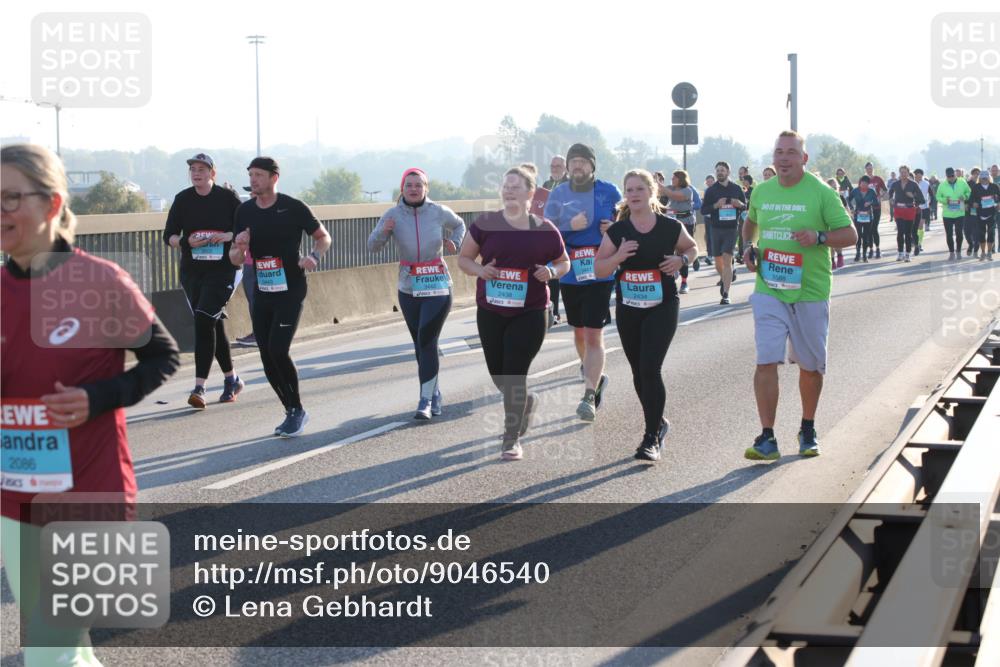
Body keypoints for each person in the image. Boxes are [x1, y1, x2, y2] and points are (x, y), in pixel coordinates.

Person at [1, 143, 180, 666]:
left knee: (50, 650)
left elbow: (161, 357)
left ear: (53, 205)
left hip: (87, 489)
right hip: (18, 496)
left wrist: (97, 398)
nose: (1, 210)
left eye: (12, 197)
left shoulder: (99, 280)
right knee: (60, 648)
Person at [741, 131, 856, 460]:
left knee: (810, 366)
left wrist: (819, 236)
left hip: (810, 291)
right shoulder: (761, 191)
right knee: (765, 360)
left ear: (804, 159)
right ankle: (767, 437)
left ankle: (807, 426)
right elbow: (750, 224)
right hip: (769, 289)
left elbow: (850, 234)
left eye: (791, 152)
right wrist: (748, 246)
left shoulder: (821, 193)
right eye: (779, 152)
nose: (784, 158)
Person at [459, 166, 569, 460]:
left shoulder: (545, 229)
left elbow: (564, 263)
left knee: (514, 373)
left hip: (530, 311)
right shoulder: (486, 223)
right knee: (499, 375)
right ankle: (524, 402)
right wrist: (482, 270)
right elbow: (464, 259)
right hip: (491, 310)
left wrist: (551, 271)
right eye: (506, 186)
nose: (509, 191)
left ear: (531, 193)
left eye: (516, 186)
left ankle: (511, 437)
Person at [595, 169, 697, 462]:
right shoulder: (618, 231)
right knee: (639, 371)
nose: (634, 194)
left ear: (652, 192)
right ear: (625, 195)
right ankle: (659, 422)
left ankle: (650, 437)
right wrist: (617, 257)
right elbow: (599, 268)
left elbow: (692, 248)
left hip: (662, 305)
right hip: (629, 308)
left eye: (640, 188)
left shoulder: (669, 226)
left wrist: (681, 260)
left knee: (651, 368)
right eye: (630, 189)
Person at [230, 157, 331, 437]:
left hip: (291, 288)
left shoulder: (293, 207)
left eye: (259, 175)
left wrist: (314, 255)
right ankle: (291, 410)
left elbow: (324, 237)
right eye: (250, 175)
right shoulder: (244, 211)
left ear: (274, 178)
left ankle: (296, 409)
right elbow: (234, 257)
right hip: (262, 288)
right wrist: (240, 248)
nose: (253, 180)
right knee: (265, 354)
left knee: (278, 349)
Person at [368, 168, 466, 419]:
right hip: (409, 287)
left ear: (426, 188)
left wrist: (455, 241)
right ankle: (434, 393)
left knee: (426, 339)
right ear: (402, 189)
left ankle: (424, 400)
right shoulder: (392, 214)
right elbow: (372, 246)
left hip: (437, 284)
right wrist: (384, 231)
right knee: (419, 344)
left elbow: (460, 224)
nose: (413, 189)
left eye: (418, 185)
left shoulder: (437, 211)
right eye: (409, 185)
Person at [544, 143, 621, 421]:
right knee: (578, 332)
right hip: (571, 271)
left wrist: (615, 227)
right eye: (573, 161)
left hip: (600, 270)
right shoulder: (558, 193)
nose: (577, 166)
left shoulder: (609, 191)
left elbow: (627, 220)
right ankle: (594, 376)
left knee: (592, 333)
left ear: (592, 165)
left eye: (582, 162)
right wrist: (568, 226)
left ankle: (589, 395)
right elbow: (547, 232)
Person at [163, 153, 244, 408]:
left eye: (202, 169)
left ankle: (200, 387)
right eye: (193, 170)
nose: (197, 173)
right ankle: (232, 379)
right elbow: (170, 236)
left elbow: (245, 229)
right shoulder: (183, 199)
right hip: (192, 272)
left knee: (203, 319)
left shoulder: (227, 198)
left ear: (213, 173)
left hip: (223, 270)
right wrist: (187, 241)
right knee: (211, 321)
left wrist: (226, 236)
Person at [701, 161, 747, 305]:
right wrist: (716, 205)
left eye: (722, 170)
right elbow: (703, 210)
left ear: (728, 172)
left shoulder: (736, 188)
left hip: (731, 229)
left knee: (727, 258)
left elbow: (745, 206)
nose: (719, 172)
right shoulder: (711, 190)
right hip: (715, 228)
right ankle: (728, 275)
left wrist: (739, 204)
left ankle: (726, 293)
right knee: (718, 262)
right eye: (717, 170)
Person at [657, 170, 698, 293]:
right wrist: (655, 182)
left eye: (674, 178)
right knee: (669, 248)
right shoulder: (669, 188)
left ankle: (684, 281)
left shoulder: (687, 190)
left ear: (681, 179)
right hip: (672, 222)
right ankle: (672, 272)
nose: (672, 180)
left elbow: (674, 196)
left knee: (683, 251)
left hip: (686, 222)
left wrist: (660, 185)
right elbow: (659, 192)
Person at [542, 156, 569, 323]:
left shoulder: (571, 185)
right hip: (549, 233)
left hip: (567, 233)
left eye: (558, 166)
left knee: (564, 275)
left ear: (565, 167)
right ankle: (554, 311)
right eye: (552, 166)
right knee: (552, 275)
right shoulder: (546, 185)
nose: (554, 169)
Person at [888, 166, 925, 262]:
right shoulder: (895, 184)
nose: (903, 174)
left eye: (905, 172)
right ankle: (900, 253)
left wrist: (913, 198)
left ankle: (908, 254)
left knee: (908, 233)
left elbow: (921, 199)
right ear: (899, 173)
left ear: (908, 173)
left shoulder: (913, 184)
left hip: (909, 210)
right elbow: (890, 193)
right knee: (900, 232)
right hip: (898, 210)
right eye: (901, 172)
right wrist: (891, 199)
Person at [936, 167, 972, 260]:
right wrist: (945, 200)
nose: (951, 178)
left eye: (952, 175)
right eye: (949, 176)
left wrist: (964, 197)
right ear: (946, 176)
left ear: (955, 174)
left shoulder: (962, 182)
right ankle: (951, 252)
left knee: (959, 233)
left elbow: (969, 192)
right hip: (947, 214)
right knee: (949, 234)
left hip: (959, 212)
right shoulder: (942, 185)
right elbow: (938, 197)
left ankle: (958, 252)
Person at [848, 175, 880, 263]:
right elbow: (848, 199)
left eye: (866, 183)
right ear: (860, 183)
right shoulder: (855, 191)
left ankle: (865, 255)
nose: (863, 185)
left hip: (868, 216)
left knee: (866, 236)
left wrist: (870, 202)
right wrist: (851, 208)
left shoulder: (871, 192)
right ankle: (858, 253)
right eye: (862, 183)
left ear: (868, 184)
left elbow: (876, 203)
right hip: (858, 216)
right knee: (858, 235)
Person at [969, 170, 999, 261]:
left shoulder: (994, 186)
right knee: (981, 234)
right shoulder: (976, 187)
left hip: (992, 213)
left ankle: (989, 253)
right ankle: (983, 252)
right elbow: (970, 200)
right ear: (980, 179)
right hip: (980, 214)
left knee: (991, 233)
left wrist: (999, 204)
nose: (985, 180)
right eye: (983, 178)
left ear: (989, 178)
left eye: (986, 178)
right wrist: (973, 204)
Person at [863, 162, 887, 259]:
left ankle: (877, 249)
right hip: (866, 208)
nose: (870, 169)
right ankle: (871, 249)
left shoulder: (878, 179)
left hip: (876, 207)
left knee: (874, 228)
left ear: (873, 168)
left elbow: (885, 190)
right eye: (868, 168)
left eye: (871, 168)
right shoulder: (863, 179)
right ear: (865, 169)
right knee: (868, 230)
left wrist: (880, 196)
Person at [913, 169, 931, 255]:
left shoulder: (926, 184)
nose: (919, 178)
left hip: (924, 208)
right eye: (917, 176)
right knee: (914, 227)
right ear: (915, 176)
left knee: (920, 226)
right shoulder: (911, 183)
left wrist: (930, 202)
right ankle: (915, 241)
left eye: (920, 176)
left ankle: (919, 244)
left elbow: (932, 194)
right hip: (913, 208)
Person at [966, 168, 982, 257]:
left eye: (978, 173)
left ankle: (976, 250)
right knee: (967, 231)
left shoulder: (982, 185)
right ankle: (970, 244)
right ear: (972, 174)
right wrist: (965, 203)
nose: (976, 175)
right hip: (968, 211)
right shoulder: (967, 184)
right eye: (975, 173)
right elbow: (964, 196)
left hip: (979, 211)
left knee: (977, 232)